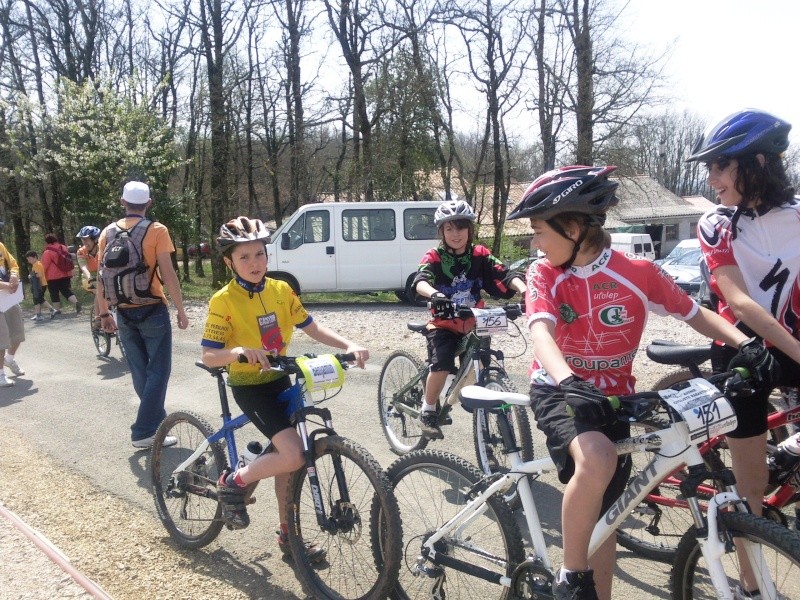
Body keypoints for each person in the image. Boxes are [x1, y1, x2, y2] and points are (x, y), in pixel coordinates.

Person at [505, 164, 778, 600]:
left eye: (539, 231)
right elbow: (540, 331)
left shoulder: (637, 271)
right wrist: (568, 378)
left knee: (609, 512)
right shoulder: (544, 273)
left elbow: (695, 313)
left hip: (614, 397)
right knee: (596, 459)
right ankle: (570, 577)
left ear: (573, 227)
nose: (535, 243)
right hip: (560, 389)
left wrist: (747, 344)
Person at [200, 216, 369, 562]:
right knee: (293, 455)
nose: (254, 263)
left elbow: (313, 327)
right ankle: (234, 481)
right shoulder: (223, 299)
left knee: (290, 461)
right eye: (243, 257)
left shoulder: (281, 290)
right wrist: (238, 352)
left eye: (259, 254)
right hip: (249, 384)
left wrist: (349, 344)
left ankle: (289, 536)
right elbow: (209, 355)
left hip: (280, 378)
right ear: (229, 261)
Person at [687, 110, 800, 546]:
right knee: (752, 493)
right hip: (745, 352)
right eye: (709, 168)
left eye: (720, 166)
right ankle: (751, 589)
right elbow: (738, 300)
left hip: (790, 347)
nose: (712, 178)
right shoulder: (716, 222)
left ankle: (783, 460)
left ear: (757, 163)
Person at [411, 199, 527, 439]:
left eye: (461, 227)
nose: (456, 234)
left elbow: (504, 273)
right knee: (442, 365)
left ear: (469, 230)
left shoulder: (479, 254)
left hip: (475, 320)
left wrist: (525, 291)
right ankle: (428, 409)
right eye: (449, 228)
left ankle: (472, 397)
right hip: (444, 323)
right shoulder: (434, 256)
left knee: (480, 367)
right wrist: (435, 294)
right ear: (441, 231)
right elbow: (420, 279)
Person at [95, 181, 189, 449]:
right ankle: (143, 431)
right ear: (149, 203)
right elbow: (168, 274)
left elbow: (102, 278)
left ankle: (156, 428)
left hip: (122, 310)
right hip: (152, 308)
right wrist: (180, 309)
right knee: (159, 370)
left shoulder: (106, 233)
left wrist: (104, 314)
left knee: (140, 371)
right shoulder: (157, 230)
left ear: (122, 202)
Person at [0, 241, 25, 386]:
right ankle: (0, 374)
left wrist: (14, 275)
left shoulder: (1, 246)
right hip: (4, 290)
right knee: (1, 337)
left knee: (18, 330)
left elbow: (13, 263)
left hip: (8, 296)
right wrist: (5, 285)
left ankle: (9, 359)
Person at [41, 233, 80, 316]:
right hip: (66, 274)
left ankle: (57, 310)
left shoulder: (47, 252)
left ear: (46, 241)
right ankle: (76, 302)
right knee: (66, 290)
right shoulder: (63, 247)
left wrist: (40, 275)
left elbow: (44, 265)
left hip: (52, 276)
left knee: (54, 293)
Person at [25, 251, 56, 320]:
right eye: (28, 260)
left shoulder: (37, 264)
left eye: (30, 259)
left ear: (35, 257)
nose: (29, 261)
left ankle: (52, 310)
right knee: (36, 299)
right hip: (38, 285)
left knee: (39, 299)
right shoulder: (35, 264)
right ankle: (38, 314)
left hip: (41, 285)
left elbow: (39, 275)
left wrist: (31, 275)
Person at [75, 225, 101, 293]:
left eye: (86, 239)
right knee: (98, 292)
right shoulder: (81, 251)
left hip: (101, 274)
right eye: (82, 239)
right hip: (88, 276)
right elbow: (83, 267)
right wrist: (90, 278)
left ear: (95, 239)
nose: (84, 242)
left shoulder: (102, 249)